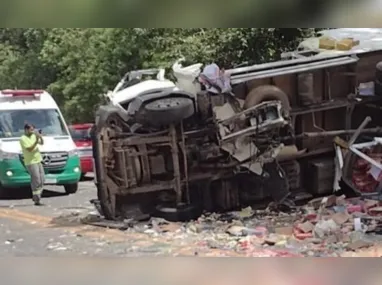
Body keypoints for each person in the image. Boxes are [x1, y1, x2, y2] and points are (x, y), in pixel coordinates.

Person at [19, 124, 45, 206]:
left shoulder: (34, 135)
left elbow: (42, 143)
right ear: (26, 130)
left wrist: (40, 137)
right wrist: (36, 141)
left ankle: (37, 196)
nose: (32, 131)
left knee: (42, 178)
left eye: (33, 130)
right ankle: (36, 198)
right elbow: (29, 149)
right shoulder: (23, 138)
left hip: (38, 160)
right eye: (31, 130)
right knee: (36, 179)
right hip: (30, 162)